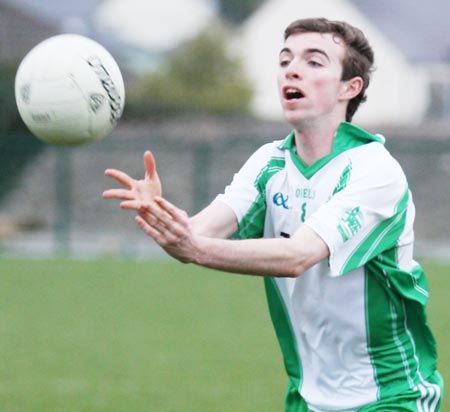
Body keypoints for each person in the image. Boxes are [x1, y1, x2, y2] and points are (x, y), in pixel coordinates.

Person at [103, 17, 443, 412]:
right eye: (285, 60)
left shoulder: (374, 171)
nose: (292, 69)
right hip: (307, 399)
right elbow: (197, 234)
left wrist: (192, 246)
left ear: (350, 88)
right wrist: (163, 217)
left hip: (390, 397)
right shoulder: (270, 163)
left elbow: (296, 256)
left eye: (314, 62)